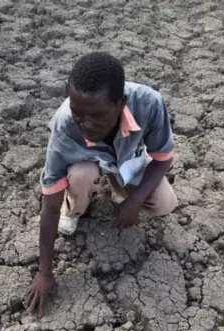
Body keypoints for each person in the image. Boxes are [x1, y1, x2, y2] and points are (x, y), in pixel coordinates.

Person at [26, 52, 178, 316]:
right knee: (82, 175)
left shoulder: (149, 104)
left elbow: (163, 158)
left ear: (121, 102)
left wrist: (134, 200)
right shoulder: (64, 128)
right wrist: (45, 273)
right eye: (78, 114)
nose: (86, 124)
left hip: (127, 159)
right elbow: (48, 206)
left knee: (165, 203)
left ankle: (120, 190)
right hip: (87, 164)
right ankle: (74, 207)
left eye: (97, 115)